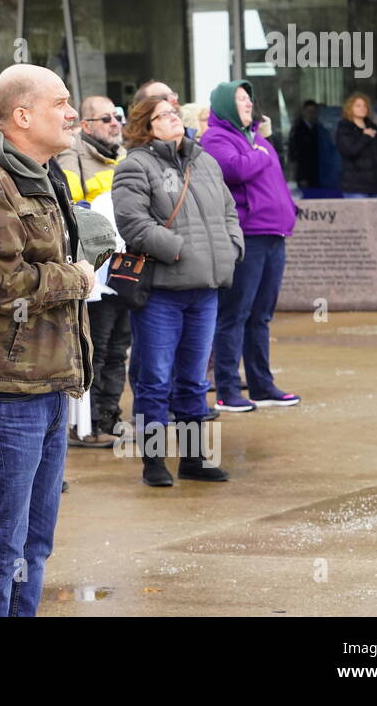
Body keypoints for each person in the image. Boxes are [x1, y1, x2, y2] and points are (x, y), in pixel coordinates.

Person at [0, 64, 95, 617]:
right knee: (2, 540)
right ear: (23, 116)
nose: (71, 112)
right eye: (60, 102)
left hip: (44, 383)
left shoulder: (39, 174)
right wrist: (76, 278)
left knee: (34, 540)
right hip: (4, 389)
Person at [112, 94, 243, 487]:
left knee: (193, 379)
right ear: (145, 125)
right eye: (163, 115)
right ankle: (153, 461)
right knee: (154, 379)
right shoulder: (136, 165)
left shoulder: (205, 161)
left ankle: (193, 459)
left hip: (205, 290)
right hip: (162, 292)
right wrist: (178, 250)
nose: (173, 118)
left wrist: (233, 246)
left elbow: (229, 211)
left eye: (174, 112)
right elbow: (132, 223)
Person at [200, 81, 301, 412]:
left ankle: (262, 385)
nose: (247, 104)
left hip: (275, 234)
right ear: (225, 104)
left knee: (261, 315)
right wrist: (256, 154)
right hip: (248, 236)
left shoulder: (258, 139)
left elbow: (276, 181)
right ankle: (228, 389)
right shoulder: (215, 138)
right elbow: (234, 170)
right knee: (235, 314)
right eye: (239, 99)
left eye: (248, 98)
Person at [58, 95, 130, 446]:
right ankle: (87, 425)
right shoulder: (72, 158)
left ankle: (109, 414)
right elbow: (76, 210)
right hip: (95, 274)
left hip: (125, 272)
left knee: (118, 349)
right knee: (97, 349)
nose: (115, 123)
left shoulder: (124, 157)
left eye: (118, 116)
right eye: (106, 118)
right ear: (85, 126)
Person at [336, 93, 377, 198]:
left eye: (365, 106)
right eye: (358, 106)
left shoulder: (373, 127)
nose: (362, 108)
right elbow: (350, 151)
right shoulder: (345, 128)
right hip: (355, 187)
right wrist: (365, 137)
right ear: (349, 108)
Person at [287, 100, 321, 189]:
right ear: (303, 112)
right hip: (304, 174)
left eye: (314, 112)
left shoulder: (318, 129)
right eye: (309, 111)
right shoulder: (298, 130)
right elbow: (296, 155)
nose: (312, 114)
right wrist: (302, 177)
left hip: (317, 173)